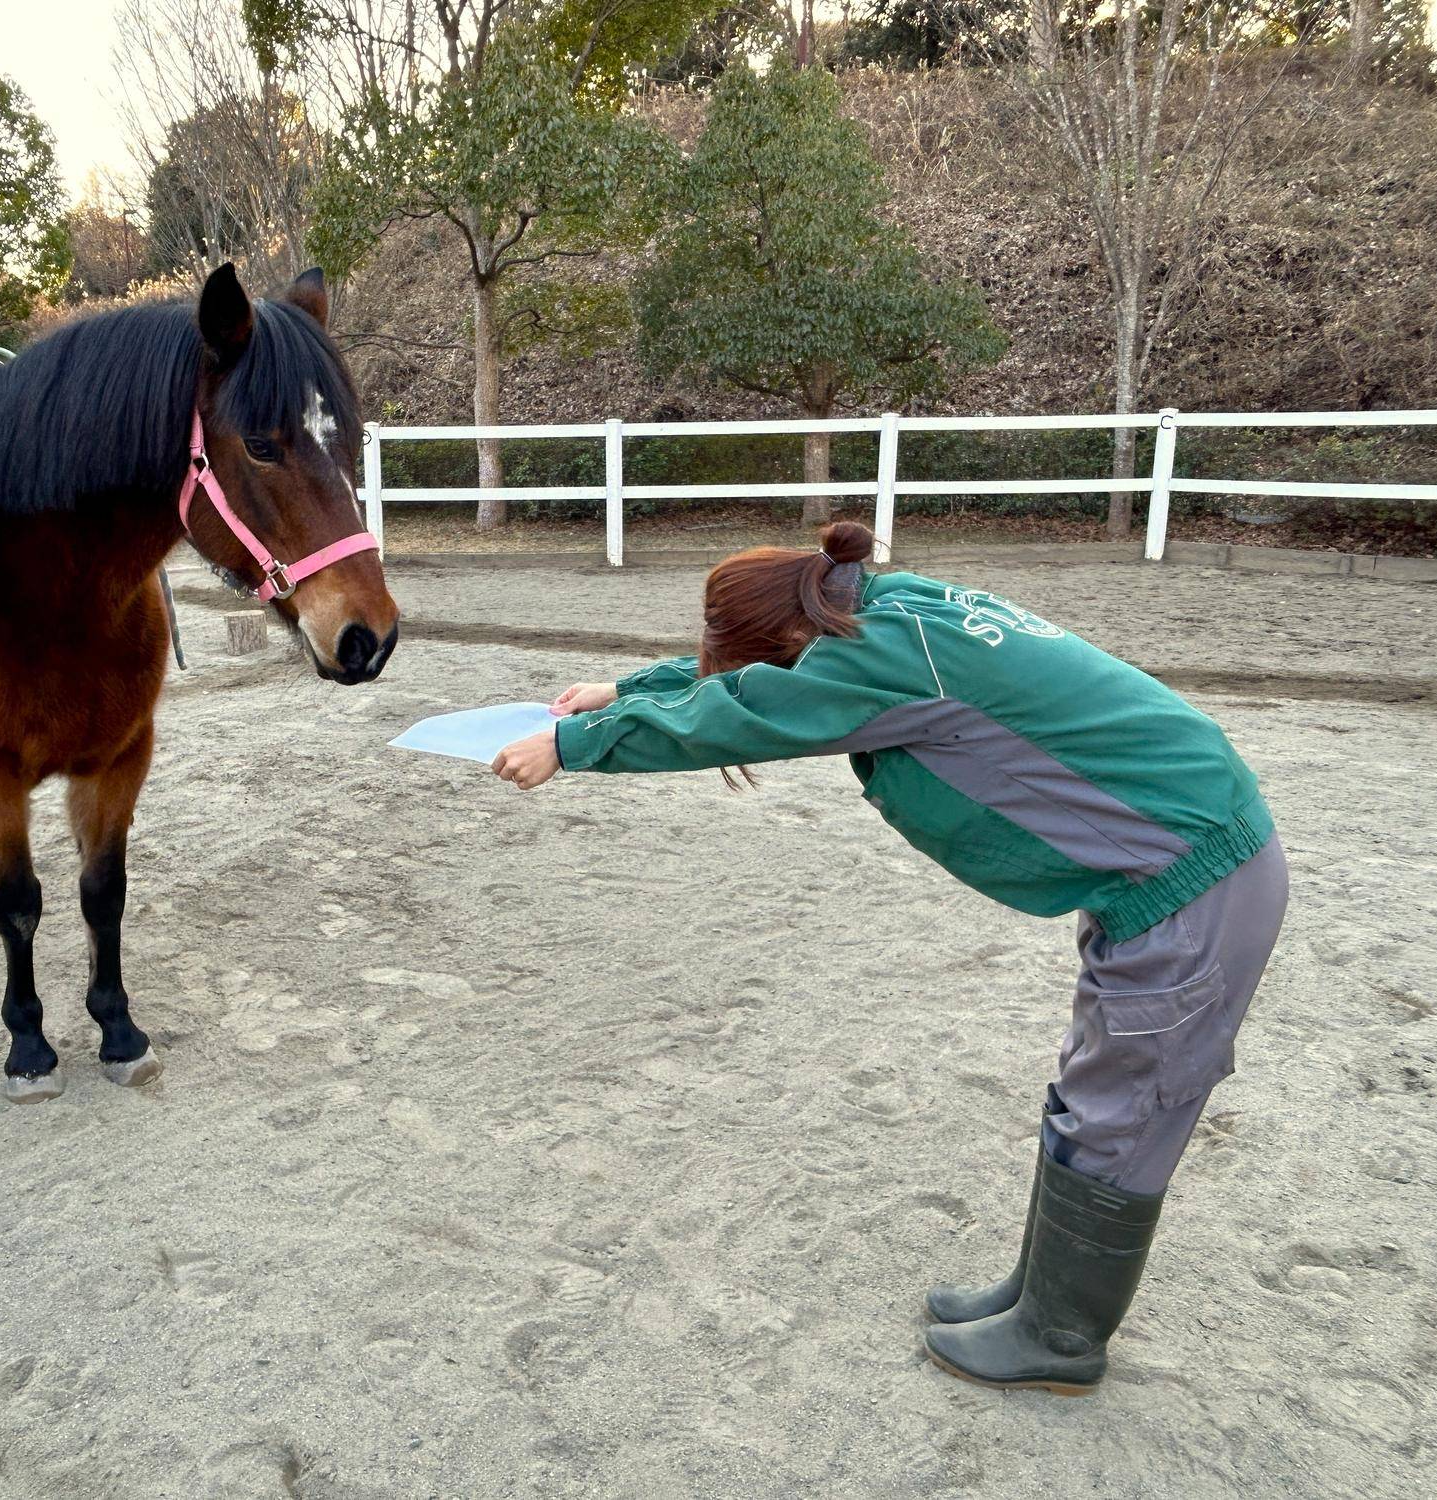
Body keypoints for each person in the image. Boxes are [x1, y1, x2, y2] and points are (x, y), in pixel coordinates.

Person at [490, 520, 1287, 1395]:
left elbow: (754, 707)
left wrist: (572, 746)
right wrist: (625, 687)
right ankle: (1042, 1292)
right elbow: (779, 675)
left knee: (1124, 1104)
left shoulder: (872, 656)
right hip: (1174, 864)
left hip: (1190, 885)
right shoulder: (892, 607)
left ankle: (1061, 1338)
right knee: (1097, 1080)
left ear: (794, 631)